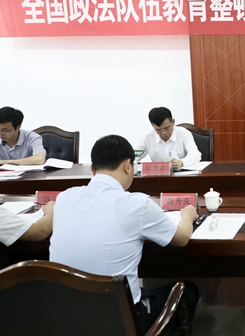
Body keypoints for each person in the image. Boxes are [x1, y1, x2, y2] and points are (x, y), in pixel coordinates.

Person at [49, 135, 198, 334]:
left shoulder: (65, 197)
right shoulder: (137, 204)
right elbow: (181, 238)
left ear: (92, 169)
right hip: (119, 321)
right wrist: (187, 216)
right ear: (128, 166)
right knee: (189, 291)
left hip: (67, 319)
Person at [136, 107, 201, 170]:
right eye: (158, 130)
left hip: (182, 175)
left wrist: (181, 162)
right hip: (159, 175)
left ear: (173, 122)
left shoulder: (184, 134)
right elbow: (134, 156)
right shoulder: (147, 137)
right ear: (153, 126)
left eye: (167, 128)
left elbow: (195, 154)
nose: (164, 133)